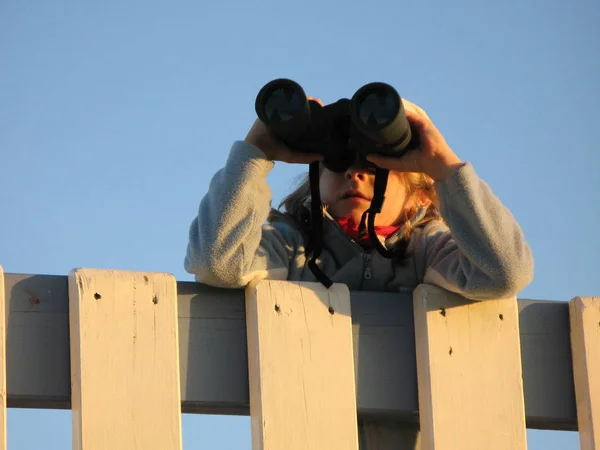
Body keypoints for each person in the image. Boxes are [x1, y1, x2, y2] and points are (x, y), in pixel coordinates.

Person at [184, 97, 534, 300]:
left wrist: (444, 167)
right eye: (337, 163)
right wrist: (254, 153)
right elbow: (218, 263)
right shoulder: (294, 249)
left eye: (374, 165)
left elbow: (504, 273)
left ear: (419, 193)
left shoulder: (428, 252)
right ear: (315, 181)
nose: (354, 173)